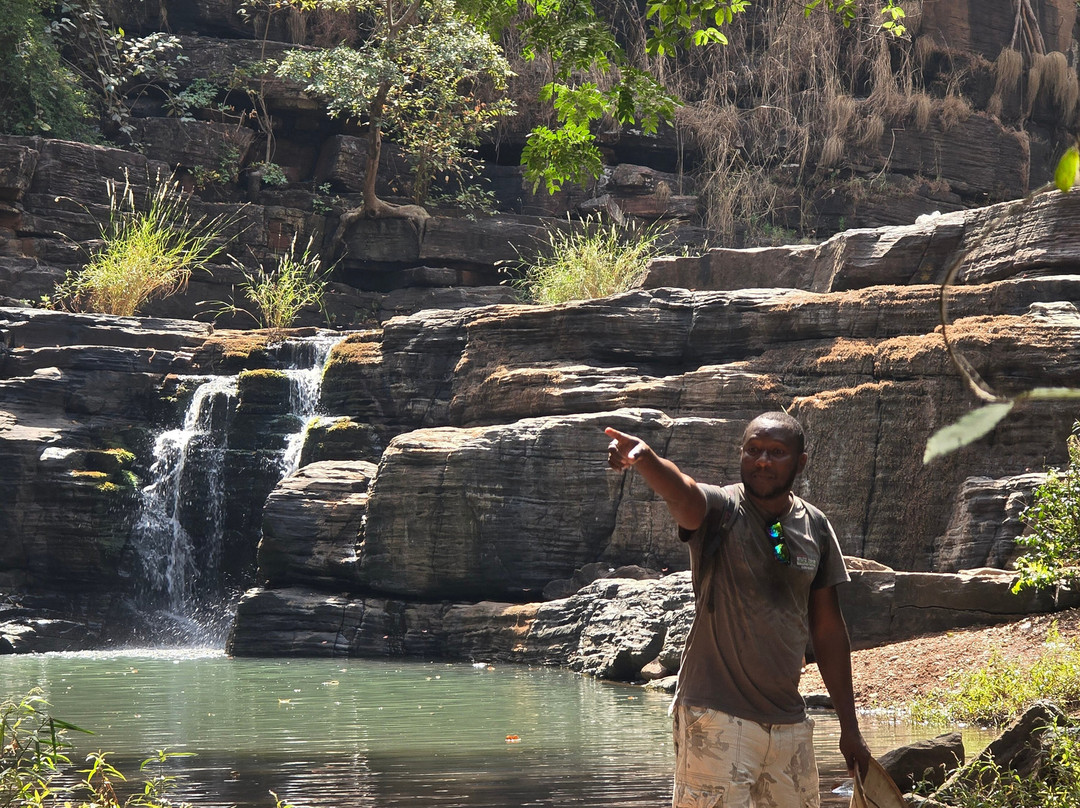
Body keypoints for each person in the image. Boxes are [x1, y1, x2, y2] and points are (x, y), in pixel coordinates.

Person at [605, 411, 871, 808]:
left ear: (800, 462)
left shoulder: (814, 526)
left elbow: (828, 629)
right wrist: (647, 460)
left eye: (777, 452)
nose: (763, 460)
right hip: (716, 718)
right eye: (754, 450)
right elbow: (684, 493)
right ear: (741, 455)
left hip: (789, 726)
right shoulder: (720, 509)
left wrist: (850, 728)